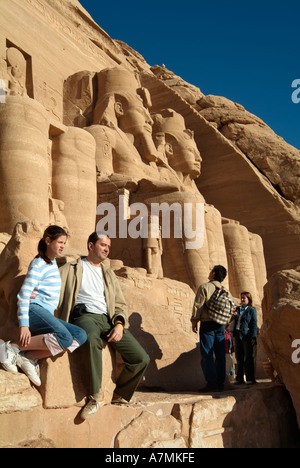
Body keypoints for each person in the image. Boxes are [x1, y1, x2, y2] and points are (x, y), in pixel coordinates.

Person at [57, 232, 150, 420]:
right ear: (91, 245)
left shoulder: (108, 273)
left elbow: (119, 304)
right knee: (90, 339)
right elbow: (52, 288)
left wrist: (119, 325)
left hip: (108, 320)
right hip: (84, 316)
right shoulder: (72, 268)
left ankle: (120, 394)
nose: (107, 249)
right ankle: (96, 396)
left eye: (108, 246)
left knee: (141, 358)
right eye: (103, 245)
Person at [0, 225, 87, 386]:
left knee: (80, 335)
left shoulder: (52, 264)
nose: (63, 246)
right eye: (60, 242)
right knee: (65, 337)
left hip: (45, 314)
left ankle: (29, 357)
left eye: (64, 243)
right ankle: (10, 347)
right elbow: (24, 294)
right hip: (34, 311)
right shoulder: (39, 263)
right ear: (48, 241)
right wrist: (24, 325)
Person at [191, 265, 234, 392]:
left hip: (207, 323)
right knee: (220, 355)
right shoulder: (226, 291)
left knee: (207, 354)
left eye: (211, 271)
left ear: (213, 274)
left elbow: (198, 306)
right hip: (221, 325)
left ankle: (212, 383)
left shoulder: (205, 287)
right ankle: (220, 383)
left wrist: (194, 321)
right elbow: (230, 309)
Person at [232, 292, 257, 384]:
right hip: (238, 335)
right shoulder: (238, 309)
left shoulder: (251, 310)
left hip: (246, 336)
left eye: (244, 298)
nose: (242, 300)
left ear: (248, 299)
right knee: (239, 357)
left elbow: (254, 324)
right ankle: (239, 378)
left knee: (248, 357)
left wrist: (253, 336)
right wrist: (233, 316)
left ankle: (250, 378)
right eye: (241, 298)